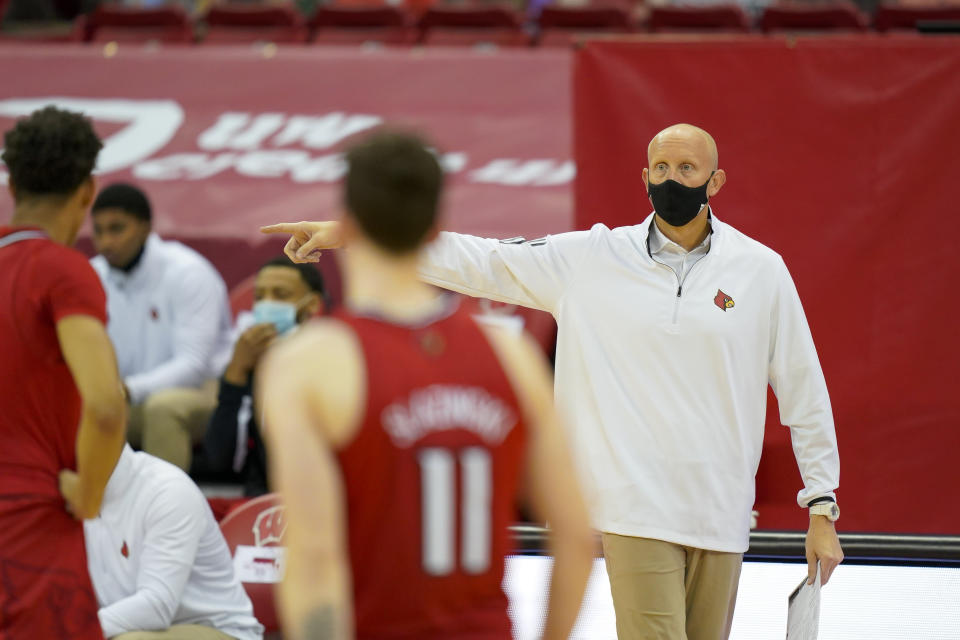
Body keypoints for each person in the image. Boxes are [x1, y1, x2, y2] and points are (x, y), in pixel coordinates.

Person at [262, 123, 845, 640]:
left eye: (687, 169)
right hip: (630, 507)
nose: (673, 179)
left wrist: (822, 506)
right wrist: (359, 233)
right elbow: (483, 261)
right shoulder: (588, 257)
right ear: (644, 177)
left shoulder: (761, 270)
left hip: (722, 511)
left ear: (715, 182)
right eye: (662, 168)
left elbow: (803, 388)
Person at [257, 131, 595, 640]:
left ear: (347, 223)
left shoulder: (308, 363)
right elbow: (574, 534)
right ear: (437, 227)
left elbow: (313, 559)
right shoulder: (511, 355)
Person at [0, 105, 127, 639]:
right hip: (27, 515)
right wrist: (91, 493)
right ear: (88, 191)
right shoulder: (60, 268)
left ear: (13, 183)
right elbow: (104, 403)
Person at [90, 182, 233, 472]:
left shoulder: (188, 273)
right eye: (98, 231)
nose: (106, 242)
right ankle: (90, 512)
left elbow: (193, 365)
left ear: (145, 227)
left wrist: (126, 389)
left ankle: (167, 512)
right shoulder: (92, 275)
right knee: (78, 410)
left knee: (163, 409)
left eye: (116, 229)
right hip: (129, 395)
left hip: (203, 392)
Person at [83, 444, 265, 640]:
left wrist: (72, 629)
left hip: (221, 630)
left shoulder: (167, 490)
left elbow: (156, 606)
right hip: (132, 627)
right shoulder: (65, 495)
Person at [203, 256, 326, 497]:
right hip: (261, 501)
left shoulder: (329, 362)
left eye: (280, 295)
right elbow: (218, 459)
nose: (266, 305)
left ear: (311, 304)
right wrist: (236, 372)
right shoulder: (250, 358)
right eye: (260, 297)